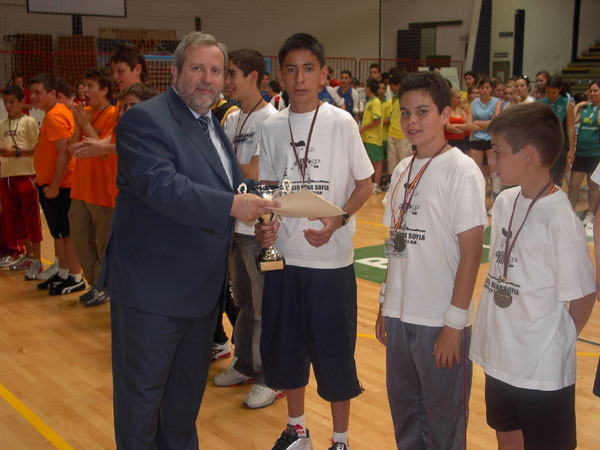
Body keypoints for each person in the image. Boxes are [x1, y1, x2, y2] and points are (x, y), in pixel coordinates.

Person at [101, 31, 277, 450]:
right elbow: (162, 187)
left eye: (216, 71)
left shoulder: (211, 123)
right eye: (198, 68)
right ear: (175, 71)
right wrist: (235, 205)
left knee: (182, 405)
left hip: (200, 295)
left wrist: (262, 210)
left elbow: (232, 185)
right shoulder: (145, 119)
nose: (208, 79)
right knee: (142, 403)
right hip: (152, 294)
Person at [256, 32, 373, 450]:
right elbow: (268, 191)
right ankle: (297, 429)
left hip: (331, 262)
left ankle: (340, 440)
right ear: (281, 76)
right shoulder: (271, 126)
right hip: (285, 259)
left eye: (308, 69)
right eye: (291, 69)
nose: (300, 78)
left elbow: (366, 184)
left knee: (334, 353)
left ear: (323, 73)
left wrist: (338, 220)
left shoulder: (342, 122)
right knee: (286, 349)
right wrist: (264, 226)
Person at [470, 102, 596, 450]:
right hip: (500, 354)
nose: (491, 160)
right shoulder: (506, 201)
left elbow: (584, 294)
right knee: (506, 433)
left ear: (526, 155)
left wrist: (558, 341)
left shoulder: (560, 219)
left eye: (497, 152)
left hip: (541, 369)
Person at [376, 71, 487, 450]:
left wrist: (454, 324)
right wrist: (384, 302)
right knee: (406, 415)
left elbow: (472, 253)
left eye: (423, 111)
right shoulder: (403, 170)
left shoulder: (462, 171)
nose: (412, 121)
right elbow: (396, 240)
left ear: (445, 114)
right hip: (399, 314)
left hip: (439, 319)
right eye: (405, 113)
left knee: (444, 422)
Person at [212, 48, 282, 409]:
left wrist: (227, 171)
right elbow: (232, 166)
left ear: (254, 76)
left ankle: (273, 376)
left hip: (261, 228)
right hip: (234, 226)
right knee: (241, 302)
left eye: (233, 74)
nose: (228, 82)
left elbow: (255, 171)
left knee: (264, 305)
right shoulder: (232, 117)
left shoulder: (271, 120)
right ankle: (245, 363)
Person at [29, 74, 85, 296]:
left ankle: (75, 276)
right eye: (31, 92)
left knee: (66, 234)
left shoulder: (55, 116)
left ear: (53, 93)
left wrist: (54, 184)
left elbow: (65, 152)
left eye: (38, 93)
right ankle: (63, 272)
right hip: (51, 184)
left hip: (62, 186)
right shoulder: (54, 114)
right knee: (59, 233)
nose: (33, 97)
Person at [67, 67, 116, 307]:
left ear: (105, 90)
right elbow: (71, 147)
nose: (85, 91)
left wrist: (86, 125)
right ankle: (95, 283)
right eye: (83, 86)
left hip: (101, 192)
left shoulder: (113, 114)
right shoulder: (84, 112)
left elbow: (105, 155)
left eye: (91, 87)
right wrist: (80, 123)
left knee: (103, 243)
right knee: (79, 239)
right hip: (80, 189)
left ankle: (103, 286)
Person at [0, 85, 42, 279]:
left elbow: (37, 147)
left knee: (31, 217)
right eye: (5, 102)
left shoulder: (29, 122)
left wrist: (17, 152)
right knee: (14, 220)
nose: (8, 106)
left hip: (26, 174)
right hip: (7, 176)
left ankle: (38, 258)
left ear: (21, 102)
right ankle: (28, 254)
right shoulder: (2, 124)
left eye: (12, 102)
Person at [568, 80, 600, 237]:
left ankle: (591, 214)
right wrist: (579, 106)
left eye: (596, 91)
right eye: (591, 91)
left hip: (595, 152)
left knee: (593, 185)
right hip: (581, 152)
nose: (592, 93)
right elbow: (572, 121)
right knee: (573, 185)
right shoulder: (584, 109)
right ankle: (570, 213)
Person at [466, 75, 502, 204]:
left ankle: (496, 200)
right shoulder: (473, 103)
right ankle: (478, 201)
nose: (484, 90)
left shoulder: (497, 102)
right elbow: (469, 125)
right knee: (476, 171)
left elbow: (495, 123)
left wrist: (478, 123)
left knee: (494, 171)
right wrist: (486, 124)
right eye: (482, 87)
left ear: (491, 89)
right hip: (476, 139)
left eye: (487, 87)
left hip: (491, 139)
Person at [540, 75, 575, 187]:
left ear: (560, 89)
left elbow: (570, 127)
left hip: (559, 147)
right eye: (548, 92)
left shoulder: (567, 103)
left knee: (555, 179)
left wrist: (571, 149)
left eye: (553, 92)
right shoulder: (542, 102)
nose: (550, 95)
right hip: (543, 146)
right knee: (542, 177)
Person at [360, 78, 384, 194]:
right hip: (366, 137)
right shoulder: (369, 101)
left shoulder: (375, 102)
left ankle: (376, 185)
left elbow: (377, 120)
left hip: (374, 137)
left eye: (365, 87)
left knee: (377, 161)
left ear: (369, 88)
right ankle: (371, 183)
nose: (365, 89)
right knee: (369, 161)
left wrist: (363, 128)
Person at [386, 74, 412, 176]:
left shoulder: (409, 98)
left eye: (391, 86)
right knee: (392, 163)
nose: (390, 89)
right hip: (392, 134)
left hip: (404, 136)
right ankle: (393, 186)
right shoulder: (394, 99)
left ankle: (404, 186)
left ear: (397, 85)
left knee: (404, 163)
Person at [445, 87, 468, 152]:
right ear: (451, 98)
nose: (460, 100)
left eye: (460, 98)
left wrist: (454, 126)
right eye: (457, 98)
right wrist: (461, 129)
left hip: (461, 141)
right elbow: (447, 126)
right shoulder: (446, 111)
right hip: (448, 141)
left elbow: (467, 126)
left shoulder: (462, 111)